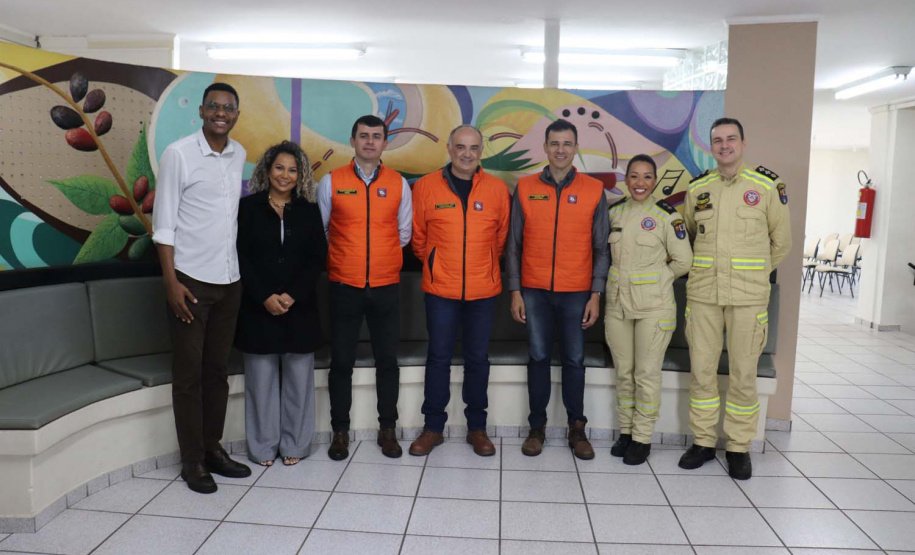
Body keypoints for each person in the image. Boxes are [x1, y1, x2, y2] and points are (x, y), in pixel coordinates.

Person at [678, 117, 791, 479]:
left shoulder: (767, 187)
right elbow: (689, 236)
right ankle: (703, 442)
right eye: (717, 140)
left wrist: (754, 274)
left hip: (748, 299)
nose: (724, 145)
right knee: (702, 373)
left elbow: (781, 243)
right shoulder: (698, 190)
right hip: (704, 296)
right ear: (710, 146)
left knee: (743, 375)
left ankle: (739, 447)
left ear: (743, 143)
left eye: (730, 139)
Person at [152, 82, 251, 493]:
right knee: (189, 376)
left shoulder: (239, 154)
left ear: (236, 114)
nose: (221, 113)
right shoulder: (179, 154)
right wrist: (171, 282)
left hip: (230, 281)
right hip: (190, 282)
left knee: (217, 373)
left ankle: (213, 448)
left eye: (228, 108)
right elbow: (163, 224)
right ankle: (191, 461)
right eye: (214, 106)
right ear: (202, 111)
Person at [506, 118, 610, 460]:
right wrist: (516, 291)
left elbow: (601, 249)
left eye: (567, 143)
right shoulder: (524, 187)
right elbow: (513, 245)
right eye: (554, 143)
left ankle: (576, 429)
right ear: (545, 147)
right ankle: (537, 428)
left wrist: (595, 293)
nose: (561, 149)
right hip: (534, 291)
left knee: (574, 361)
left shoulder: (594, 190)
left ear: (576, 147)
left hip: (577, 292)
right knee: (537, 358)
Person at [408, 125, 510, 457]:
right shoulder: (425, 187)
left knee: (477, 360)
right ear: (449, 148)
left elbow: (500, 240)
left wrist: (481, 267)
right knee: (438, 358)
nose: (467, 154)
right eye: (461, 147)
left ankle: (477, 429)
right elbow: (419, 239)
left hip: (483, 290)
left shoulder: (496, 190)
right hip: (440, 289)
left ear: (481, 151)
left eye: (474, 148)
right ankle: (432, 428)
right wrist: (439, 265)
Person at [316, 115, 413, 460]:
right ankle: (339, 431)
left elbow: (404, 235)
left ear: (385, 143)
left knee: (388, 361)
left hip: (386, 286)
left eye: (376, 136)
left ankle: (388, 429)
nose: (370, 142)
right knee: (341, 361)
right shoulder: (331, 182)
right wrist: (349, 258)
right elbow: (325, 231)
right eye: (363, 136)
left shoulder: (400, 184)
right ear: (353, 141)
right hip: (344, 285)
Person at [235, 141, 327, 467]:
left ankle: (295, 445)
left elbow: (317, 259)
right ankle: (262, 448)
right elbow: (241, 257)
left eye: (292, 169)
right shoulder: (248, 208)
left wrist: (291, 295)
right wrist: (264, 296)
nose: (285, 175)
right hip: (258, 308)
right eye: (279, 168)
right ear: (267, 170)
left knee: (299, 384)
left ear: (300, 175)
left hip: (298, 308)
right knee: (261, 384)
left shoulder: (308, 209)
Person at [604, 155, 692, 465]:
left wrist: (656, 281)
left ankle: (642, 438)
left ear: (655, 181)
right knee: (624, 373)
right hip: (617, 306)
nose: (640, 183)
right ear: (625, 180)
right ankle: (626, 432)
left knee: (646, 374)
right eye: (634, 176)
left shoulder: (667, 216)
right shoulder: (613, 213)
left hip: (654, 307)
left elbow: (684, 260)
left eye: (646, 177)